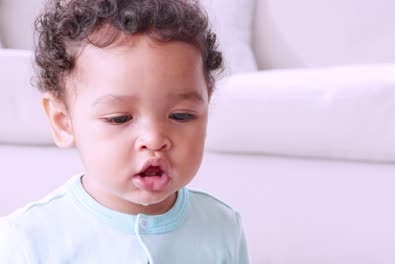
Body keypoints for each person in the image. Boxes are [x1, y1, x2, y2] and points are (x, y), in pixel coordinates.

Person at [0, 0, 250, 263]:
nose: (154, 139)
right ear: (63, 121)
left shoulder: (223, 227)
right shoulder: (28, 240)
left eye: (181, 115)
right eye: (119, 118)